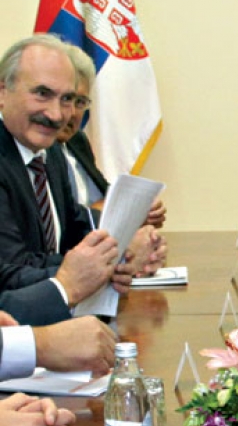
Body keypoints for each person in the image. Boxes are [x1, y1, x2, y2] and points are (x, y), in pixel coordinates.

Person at [0, 34, 163, 284]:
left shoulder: (50, 151)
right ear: (3, 91)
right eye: (42, 93)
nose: (56, 115)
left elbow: (74, 226)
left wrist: (129, 236)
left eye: (67, 99)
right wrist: (115, 259)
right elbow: (11, 271)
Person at [57, 43, 166, 228]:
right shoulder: (36, 153)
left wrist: (141, 208)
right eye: (66, 99)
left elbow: (107, 195)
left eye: (80, 102)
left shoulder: (77, 141)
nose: (72, 112)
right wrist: (110, 212)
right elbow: (57, 221)